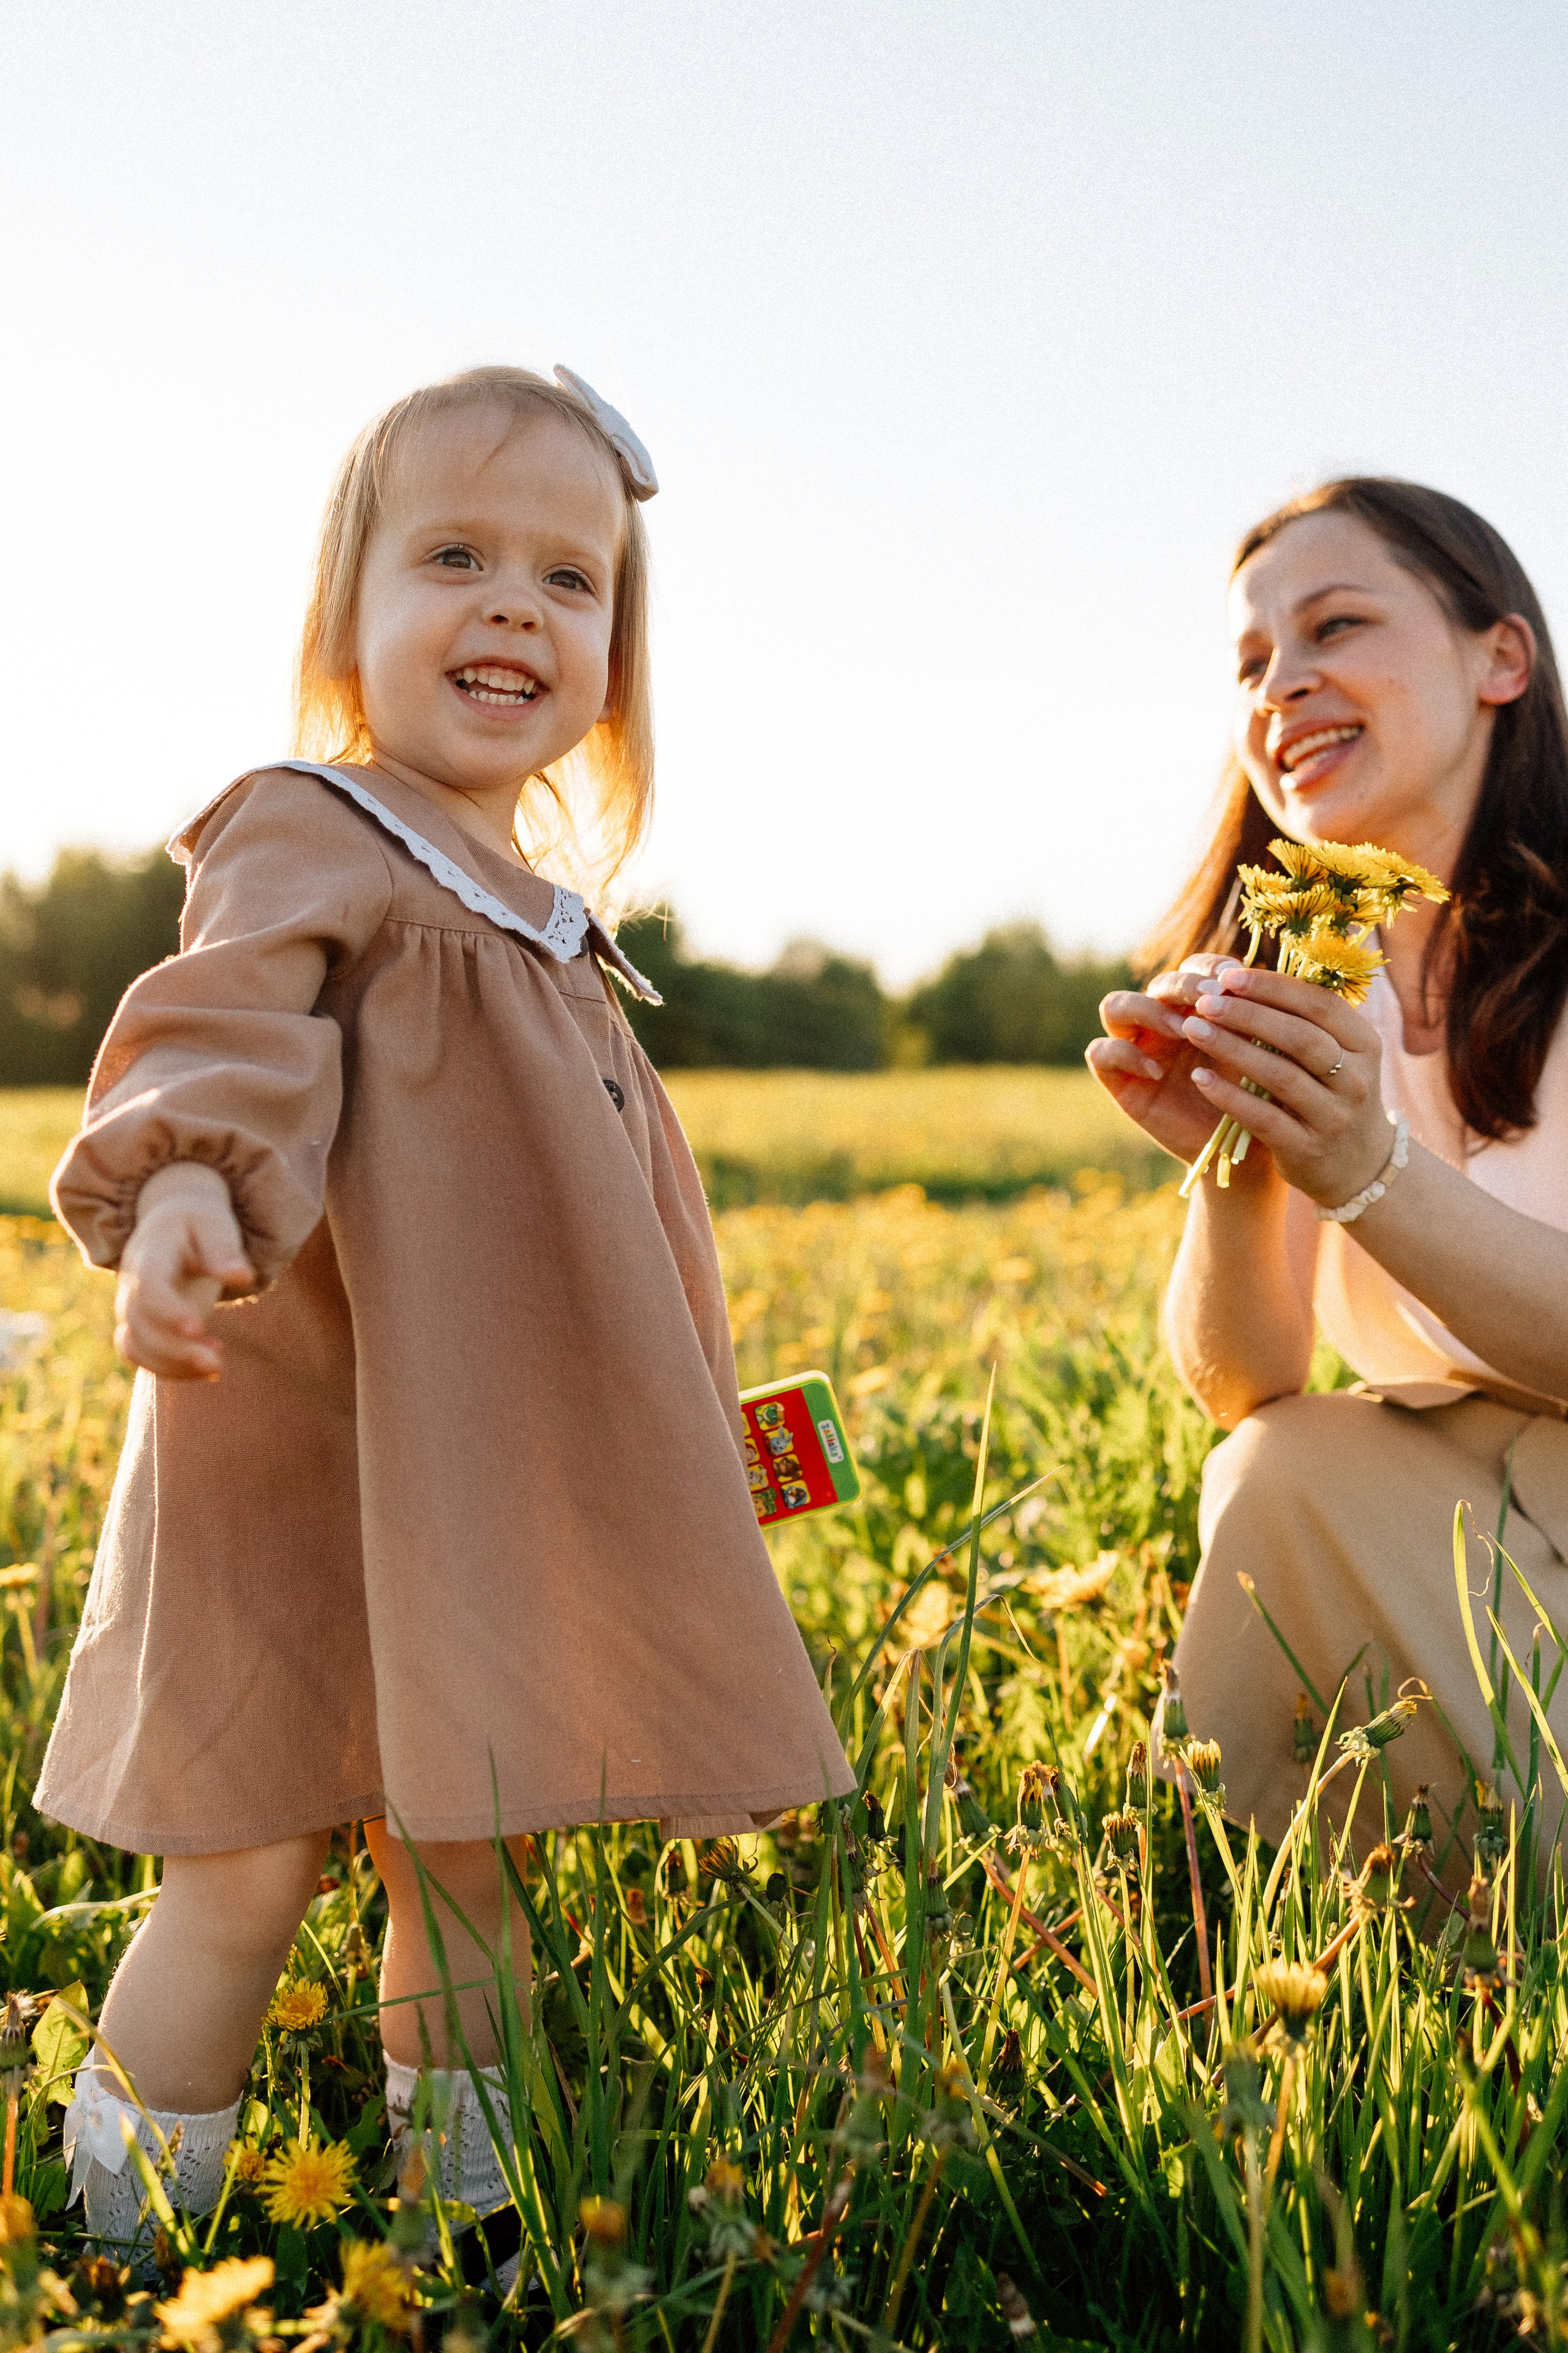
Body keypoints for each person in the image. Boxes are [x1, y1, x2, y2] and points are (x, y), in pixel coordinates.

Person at [42, 364, 855, 2254]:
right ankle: (104, 2233)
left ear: (613, 658)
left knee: (472, 1855)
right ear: (349, 614)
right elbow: (223, 1032)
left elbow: (598, 1245)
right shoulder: (309, 823)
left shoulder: (547, 917)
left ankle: (459, 2235)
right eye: (459, 558)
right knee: (241, 1864)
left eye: (573, 583)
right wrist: (178, 1193)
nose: (516, 607)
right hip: (302, 1461)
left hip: (476, 1478)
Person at [1088, 478, 1568, 1865]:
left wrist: (1362, 1168)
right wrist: (1240, 1163)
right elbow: (1245, 1389)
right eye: (1249, 664)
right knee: (1279, 1467)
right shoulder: (1310, 974)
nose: (1279, 687)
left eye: (1333, 626)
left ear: (1498, 658)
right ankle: (1321, 1956)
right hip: (1472, 1524)